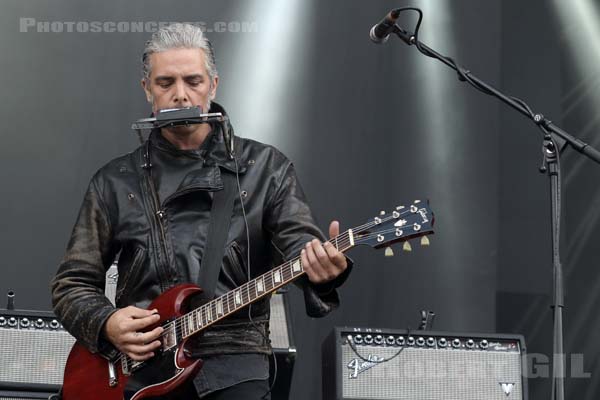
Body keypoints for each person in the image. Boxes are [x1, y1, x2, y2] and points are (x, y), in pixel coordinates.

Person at [51, 23, 350, 399]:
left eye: (193, 81)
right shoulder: (115, 181)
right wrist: (107, 323)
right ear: (147, 89)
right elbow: (71, 284)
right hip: (140, 365)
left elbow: (299, 243)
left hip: (235, 358)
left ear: (213, 84)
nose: (180, 95)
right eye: (165, 83)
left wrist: (321, 269)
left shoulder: (265, 168)